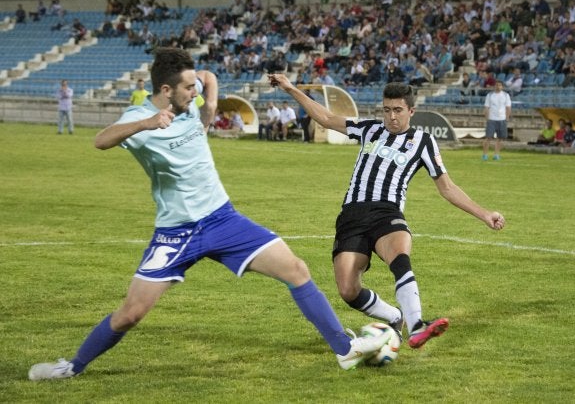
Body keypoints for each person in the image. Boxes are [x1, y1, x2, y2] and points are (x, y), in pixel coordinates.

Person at [28, 48, 387, 381]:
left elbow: (210, 77)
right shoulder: (139, 118)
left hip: (223, 220)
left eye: (194, 86)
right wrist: (146, 123)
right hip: (176, 233)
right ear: (166, 90)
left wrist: (209, 107)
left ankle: (345, 350)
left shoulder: (192, 97)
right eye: (187, 88)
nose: (194, 91)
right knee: (131, 313)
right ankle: (71, 367)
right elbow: (101, 140)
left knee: (296, 269)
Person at [268, 73, 506, 349]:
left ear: (411, 111)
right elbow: (326, 118)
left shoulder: (423, 142)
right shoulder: (369, 129)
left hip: (387, 212)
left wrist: (485, 214)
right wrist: (290, 88)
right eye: (387, 110)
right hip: (352, 216)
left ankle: (417, 324)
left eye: (398, 110)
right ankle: (394, 317)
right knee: (347, 289)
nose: (392, 116)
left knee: (399, 256)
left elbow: (448, 188)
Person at [482, 81, 511, 161]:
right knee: (488, 137)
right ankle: (485, 154)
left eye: (500, 85)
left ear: (502, 86)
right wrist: (487, 118)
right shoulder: (490, 95)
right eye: (497, 85)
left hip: (502, 119)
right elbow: (486, 107)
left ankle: (496, 154)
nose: (498, 86)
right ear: (494, 86)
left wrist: (507, 118)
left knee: (500, 138)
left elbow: (508, 107)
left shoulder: (506, 95)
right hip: (492, 119)